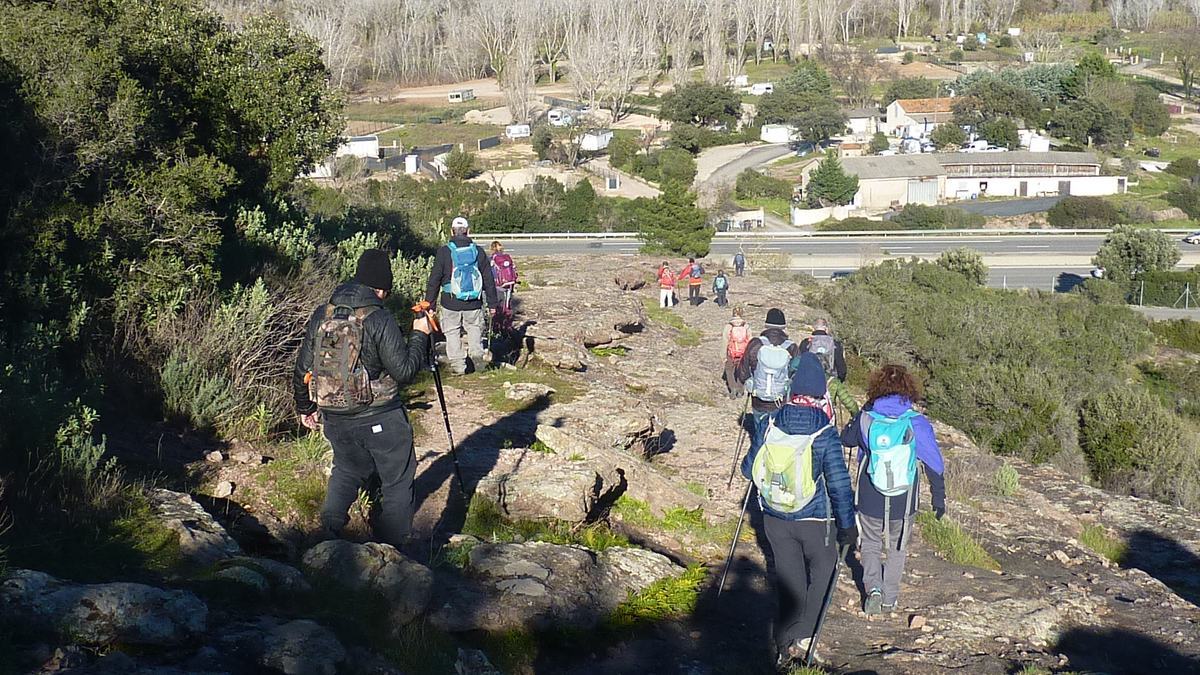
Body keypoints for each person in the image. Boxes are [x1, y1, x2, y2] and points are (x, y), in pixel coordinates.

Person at [293, 250, 432, 547]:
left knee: (347, 469)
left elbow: (302, 367)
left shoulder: (324, 313)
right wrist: (420, 334)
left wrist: (305, 408)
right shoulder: (378, 317)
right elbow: (405, 371)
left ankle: (326, 537)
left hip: (334, 415)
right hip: (380, 416)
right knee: (397, 478)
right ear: (381, 288)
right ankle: (392, 552)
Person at [740, 353, 856, 667]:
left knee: (790, 578)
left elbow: (748, 470)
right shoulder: (825, 432)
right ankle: (805, 633)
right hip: (816, 519)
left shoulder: (770, 422)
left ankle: (783, 640)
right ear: (821, 392)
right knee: (823, 571)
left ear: (792, 389)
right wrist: (848, 525)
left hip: (775, 517)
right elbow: (839, 486)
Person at [841, 365, 946, 616]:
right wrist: (938, 498)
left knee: (870, 544)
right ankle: (890, 598)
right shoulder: (916, 422)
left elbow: (846, 439)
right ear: (909, 389)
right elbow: (934, 464)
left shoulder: (867, 418)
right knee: (897, 548)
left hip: (869, 495)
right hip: (904, 498)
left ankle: (873, 590)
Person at [424, 216, 499, 375]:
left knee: (452, 332)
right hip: (474, 303)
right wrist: (492, 304)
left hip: (450, 302)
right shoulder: (478, 251)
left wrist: (429, 304)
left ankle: (459, 366)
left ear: (452, 231)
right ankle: (478, 361)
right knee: (474, 329)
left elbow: (434, 279)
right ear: (468, 231)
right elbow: (488, 280)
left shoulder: (444, 251)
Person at [736, 308, 803, 451]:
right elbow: (797, 374)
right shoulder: (791, 347)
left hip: (758, 400)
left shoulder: (755, 343)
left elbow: (742, 372)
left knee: (759, 434)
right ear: (784, 326)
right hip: (781, 402)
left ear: (766, 324)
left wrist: (750, 383)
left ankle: (759, 460)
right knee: (779, 436)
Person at [798, 318, 859, 423]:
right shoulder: (835, 344)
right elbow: (842, 368)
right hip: (830, 383)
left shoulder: (806, 343)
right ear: (826, 329)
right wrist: (838, 381)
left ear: (813, 328)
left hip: (809, 385)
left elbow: (800, 366)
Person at [721, 307, 751, 398]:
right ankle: (740, 389)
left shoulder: (728, 326)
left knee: (729, 371)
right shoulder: (746, 326)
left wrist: (723, 355)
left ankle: (732, 388)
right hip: (743, 352)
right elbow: (750, 340)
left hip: (731, 352)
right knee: (741, 371)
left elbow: (725, 341)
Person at [489, 241, 518, 334]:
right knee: (507, 306)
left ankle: (497, 329)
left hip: (498, 286)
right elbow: (514, 270)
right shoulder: (507, 258)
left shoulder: (492, 259)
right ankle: (507, 327)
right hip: (509, 285)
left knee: (497, 307)